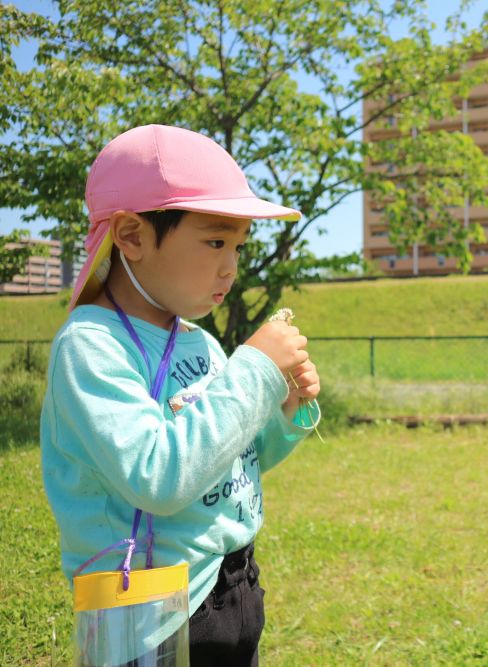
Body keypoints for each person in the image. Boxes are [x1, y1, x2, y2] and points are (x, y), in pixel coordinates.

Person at [41, 124, 321, 666]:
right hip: (151, 610)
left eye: (238, 246)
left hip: (235, 581)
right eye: (215, 241)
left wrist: (282, 411)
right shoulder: (92, 346)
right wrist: (257, 369)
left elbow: (235, 455)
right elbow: (159, 478)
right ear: (131, 236)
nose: (231, 266)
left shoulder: (200, 343)